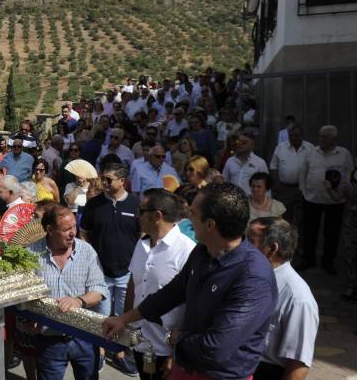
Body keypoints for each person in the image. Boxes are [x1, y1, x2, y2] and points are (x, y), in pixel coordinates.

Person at [102, 183, 278, 380]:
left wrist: (175, 339)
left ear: (210, 225)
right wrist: (124, 319)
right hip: (187, 366)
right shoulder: (203, 250)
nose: (186, 218)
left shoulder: (253, 277)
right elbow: (172, 292)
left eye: (192, 213)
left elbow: (217, 347)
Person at [27, 205, 107, 380]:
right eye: (66, 229)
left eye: (74, 227)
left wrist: (78, 301)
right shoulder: (31, 253)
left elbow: (99, 289)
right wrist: (29, 315)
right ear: (49, 229)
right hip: (49, 340)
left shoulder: (86, 251)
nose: (72, 233)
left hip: (84, 336)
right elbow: (24, 293)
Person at [128, 189, 196, 379]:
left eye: (141, 211)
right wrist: (126, 325)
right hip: (139, 343)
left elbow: (193, 304)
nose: (137, 216)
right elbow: (134, 285)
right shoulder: (141, 244)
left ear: (157, 216)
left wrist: (176, 352)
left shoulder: (187, 251)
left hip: (167, 351)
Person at [81, 162, 140, 376]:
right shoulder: (94, 205)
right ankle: (100, 353)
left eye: (109, 179)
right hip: (100, 274)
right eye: (103, 178)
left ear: (122, 181)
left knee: (124, 317)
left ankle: (121, 353)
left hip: (127, 274)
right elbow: (84, 233)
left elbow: (142, 237)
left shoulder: (135, 205)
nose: (104, 182)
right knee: (101, 318)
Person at [247, 217, 319, 380]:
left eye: (250, 241)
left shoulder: (298, 300)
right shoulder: (248, 276)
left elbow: (297, 365)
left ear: (271, 249)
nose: (243, 247)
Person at [299, 125, 354, 274]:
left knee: (332, 233)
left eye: (324, 137)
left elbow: (349, 175)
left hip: (335, 202)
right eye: (320, 136)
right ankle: (308, 259)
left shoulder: (344, 154)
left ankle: (328, 262)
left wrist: (343, 192)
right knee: (310, 231)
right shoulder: (311, 152)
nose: (320, 139)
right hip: (312, 199)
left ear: (333, 139)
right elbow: (303, 173)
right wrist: (304, 192)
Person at [269, 123, 313, 229]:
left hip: (303, 189)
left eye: (296, 136)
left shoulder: (310, 148)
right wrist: (277, 184)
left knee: (303, 219)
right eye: (291, 135)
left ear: (302, 135)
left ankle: (301, 244)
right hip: (285, 189)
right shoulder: (281, 147)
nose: (293, 138)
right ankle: (286, 243)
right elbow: (273, 166)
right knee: (285, 219)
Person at [222, 129, 268, 195]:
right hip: (232, 201)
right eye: (238, 141)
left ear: (252, 146)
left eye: (244, 142)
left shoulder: (260, 163)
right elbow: (224, 182)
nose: (240, 144)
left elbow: (266, 187)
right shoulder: (230, 161)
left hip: (252, 202)